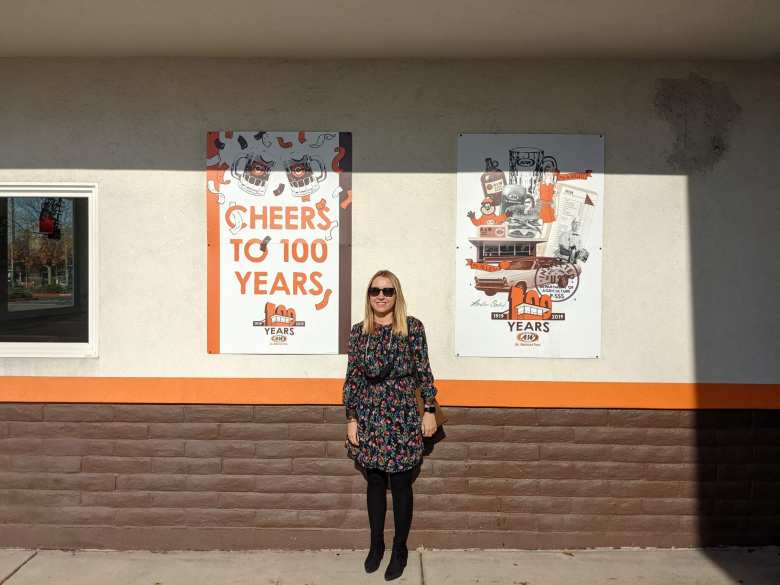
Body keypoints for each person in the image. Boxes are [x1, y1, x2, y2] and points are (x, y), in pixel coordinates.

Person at [343, 269, 438, 581]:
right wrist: (351, 418)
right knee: (373, 482)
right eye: (375, 291)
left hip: (401, 414)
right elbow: (353, 377)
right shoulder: (359, 332)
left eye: (387, 290)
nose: (381, 296)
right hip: (370, 415)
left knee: (400, 483)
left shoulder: (411, 328)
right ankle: (376, 545)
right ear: (368, 296)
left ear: (397, 295)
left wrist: (430, 410)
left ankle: (400, 548)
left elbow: (423, 371)